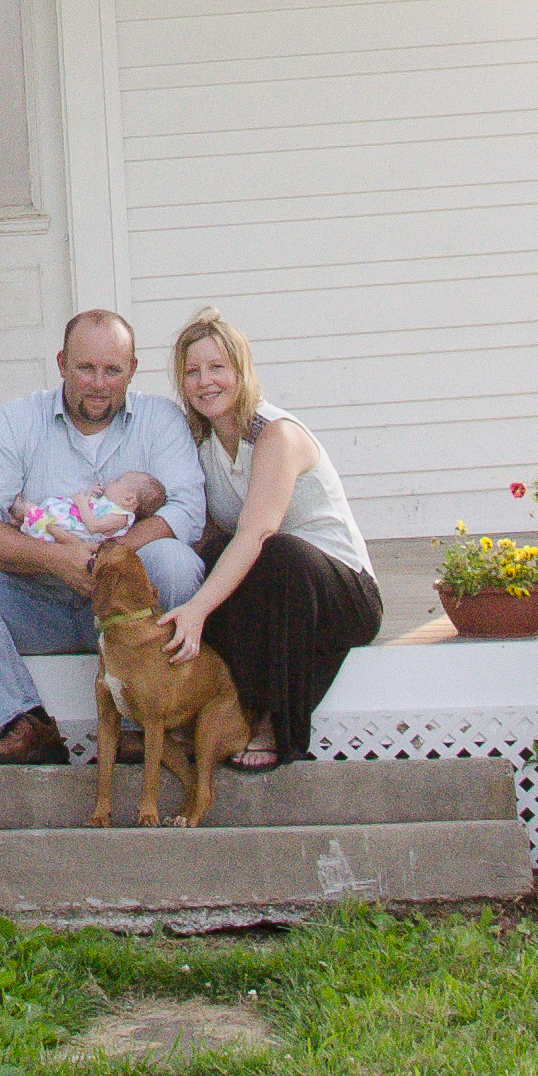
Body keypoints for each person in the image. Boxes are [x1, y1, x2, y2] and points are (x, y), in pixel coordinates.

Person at [0, 308, 206, 764]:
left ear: (132, 368)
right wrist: (54, 561)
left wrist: (107, 560)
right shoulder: (17, 420)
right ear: (62, 362)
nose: (98, 382)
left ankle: (139, 726)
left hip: (127, 610)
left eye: (113, 370)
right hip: (36, 604)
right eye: (86, 367)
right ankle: (22, 722)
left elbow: (188, 512)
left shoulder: (160, 420)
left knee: (176, 562)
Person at [155, 305, 378, 772]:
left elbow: (257, 533)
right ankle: (219, 714)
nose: (205, 381)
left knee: (276, 553)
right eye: (192, 371)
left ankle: (275, 723)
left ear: (241, 371)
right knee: (215, 556)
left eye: (218, 367)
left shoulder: (277, 434)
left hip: (343, 593)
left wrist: (197, 611)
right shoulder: (204, 447)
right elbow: (210, 533)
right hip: (281, 591)